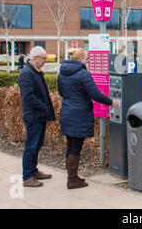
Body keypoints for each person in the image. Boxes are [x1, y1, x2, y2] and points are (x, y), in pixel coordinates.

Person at [57, 48, 119, 190]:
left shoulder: (62, 72)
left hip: (67, 111)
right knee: (76, 147)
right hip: (79, 114)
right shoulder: (83, 74)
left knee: (71, 144)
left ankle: (72, 175)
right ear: (80, 59)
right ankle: (72, 180)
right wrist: (111, 102)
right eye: (86, 59)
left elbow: (61, 92)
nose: (87, 61)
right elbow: (94, 94)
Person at [18, 46, 55, 187]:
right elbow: (28, 97)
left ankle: (33, 171)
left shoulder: (35, 72)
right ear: (35, 58)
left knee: (37, 144)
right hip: (34, 116)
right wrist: (43, 106)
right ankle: (27, 176)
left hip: (40, 115)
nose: (45, 61)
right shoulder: (27, 73)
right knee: (31, 145)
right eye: (43, 58)